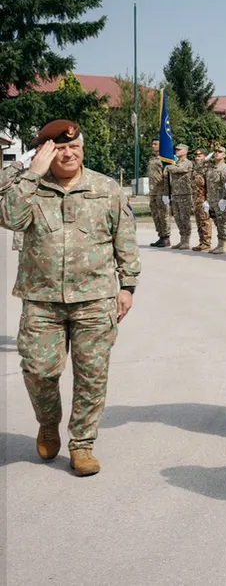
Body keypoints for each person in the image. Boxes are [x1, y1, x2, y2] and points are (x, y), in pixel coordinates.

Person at [0, 120, 140, 476]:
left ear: (82, 149)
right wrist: (32, 174)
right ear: (45, 151)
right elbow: (11, 219)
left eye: (74, 147)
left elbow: (124, 238)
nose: (68, 153)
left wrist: (128, 286)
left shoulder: (105, 188)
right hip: (41, 299)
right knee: (38, 370)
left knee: (92, 375)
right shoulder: (31, 187)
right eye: (59, 148)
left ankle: (82, 445)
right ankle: (48, 422)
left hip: (95, 298)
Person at [204, 145, 226, 254]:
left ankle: (223, 244)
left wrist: (224, 199)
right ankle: (219, 244)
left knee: (222, 222)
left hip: (220, 200)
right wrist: (207, 199)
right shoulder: (211, 168)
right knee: (216, 222)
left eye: (219, 152)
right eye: (215, 151)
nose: (216, 153)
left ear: (224, 155)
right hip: (211, 199)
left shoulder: (225, 169)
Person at [166, 143, 194, 249]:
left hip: (185, 194)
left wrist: (167, 166)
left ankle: (186, 240)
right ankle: (182, 239)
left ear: (185, 151)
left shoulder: (187, 163)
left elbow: (176, 169)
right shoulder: (175, 163)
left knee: (184, 218)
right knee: (177, 218)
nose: (176, 151)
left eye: (179, 149)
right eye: (176, 149)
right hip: (176, 194)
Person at [148, 137, 172, 247]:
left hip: (161, 191)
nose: (153, 146)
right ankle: (161, 236)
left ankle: (166, 237)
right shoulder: (152, 159)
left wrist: (167, 192)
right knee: (155, 215)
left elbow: (167, 177)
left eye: (155, 144)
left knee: (163, 215)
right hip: (153, 191)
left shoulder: (164, 160)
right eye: (152, 144)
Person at [190, 147, 213, 252]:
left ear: (204, 156)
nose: (197, 158)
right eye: (196, 156)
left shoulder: (207, 168)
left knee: (205, 221)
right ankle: (201, 241)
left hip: (203, 198)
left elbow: (209, 184)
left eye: (199, 156)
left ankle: (207, 242)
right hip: (196, 199)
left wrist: (208, 199)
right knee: (199, 221)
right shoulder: (196, 168)